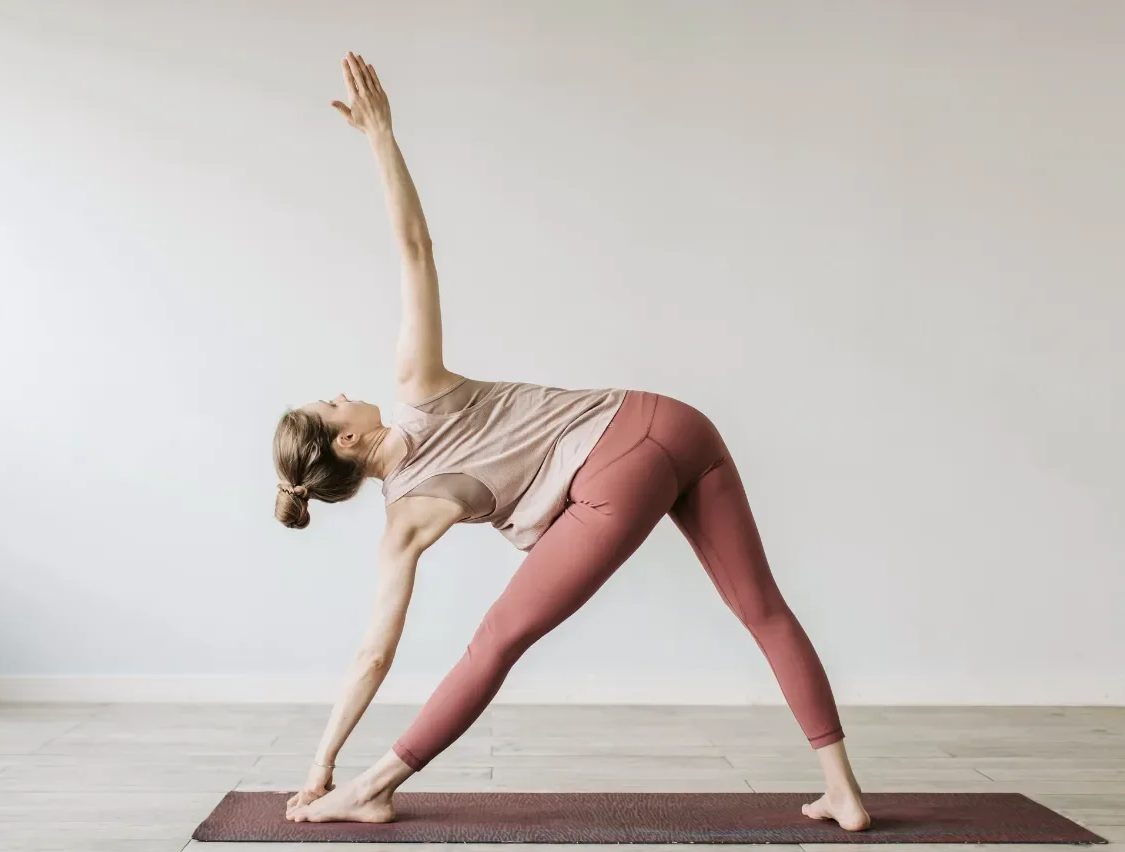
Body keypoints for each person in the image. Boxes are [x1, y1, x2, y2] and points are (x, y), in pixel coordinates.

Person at [275, 53, 870, 833]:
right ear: (347, 438)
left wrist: (320, 765)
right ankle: (845, 792)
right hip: (675, 420)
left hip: (617, 469)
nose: (345, 389)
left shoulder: (405, 518)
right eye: (333, 401)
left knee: (496, 638)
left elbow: (373, 658)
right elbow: (415, 249)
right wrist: (383, 138)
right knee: (762, 609)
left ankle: (371, 785)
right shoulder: (416, 389)